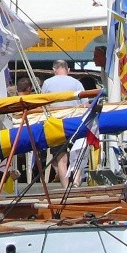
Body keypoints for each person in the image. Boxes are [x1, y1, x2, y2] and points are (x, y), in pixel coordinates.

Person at [40, 60, 84, 188]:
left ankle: (65, 187)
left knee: (61, 158)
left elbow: (43, 104)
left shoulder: (47, 83)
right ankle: (76, 182)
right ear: (68, 70)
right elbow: (85, 104)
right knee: (78, 154)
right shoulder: (77, 83)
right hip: (75, 121)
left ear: (54, 70)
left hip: (56, 123)